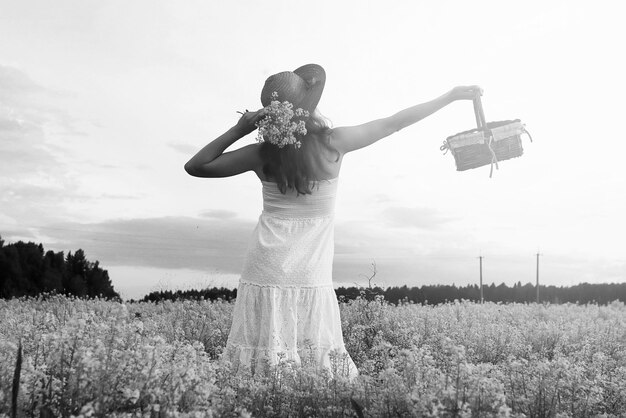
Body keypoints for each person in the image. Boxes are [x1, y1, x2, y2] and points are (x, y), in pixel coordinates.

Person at [184, 64, 481, 378]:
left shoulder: (261, 154)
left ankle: (262, 398)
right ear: (309, 108)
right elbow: (395, 122)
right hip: (311, 266)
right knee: (313, 350)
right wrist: (450, 96)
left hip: (266, 262)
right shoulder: (333, 143)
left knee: (265, 351)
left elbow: (197, 166)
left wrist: (237, 131)